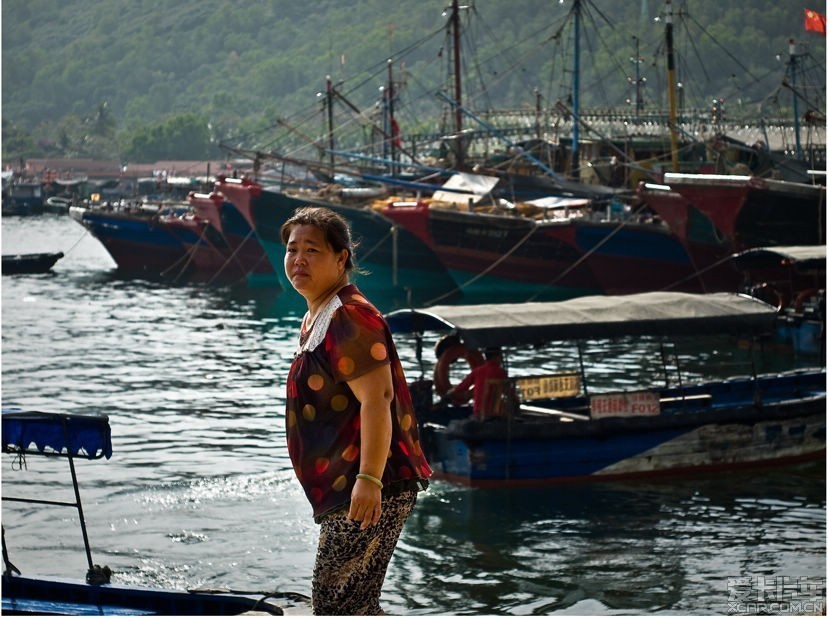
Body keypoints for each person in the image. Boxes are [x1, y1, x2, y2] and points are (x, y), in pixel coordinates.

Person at [280, 206, 432, 615]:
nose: (299, 259)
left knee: (338, 604)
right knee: (352, 602)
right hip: (348, 484)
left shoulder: (350, 315)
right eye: (292, 249)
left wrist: (368, 479)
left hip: (367, 484)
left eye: (312, 250)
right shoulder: (320, 313)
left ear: (341, 257)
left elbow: (377, 399)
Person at [445, 347, 508, 417]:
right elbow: (508, 392)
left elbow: (463, 386)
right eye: (501, 356)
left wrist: (450, 392)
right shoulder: (502, 373)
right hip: (495, 414)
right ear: (496, 357)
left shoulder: (478, 371)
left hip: (478, 413)